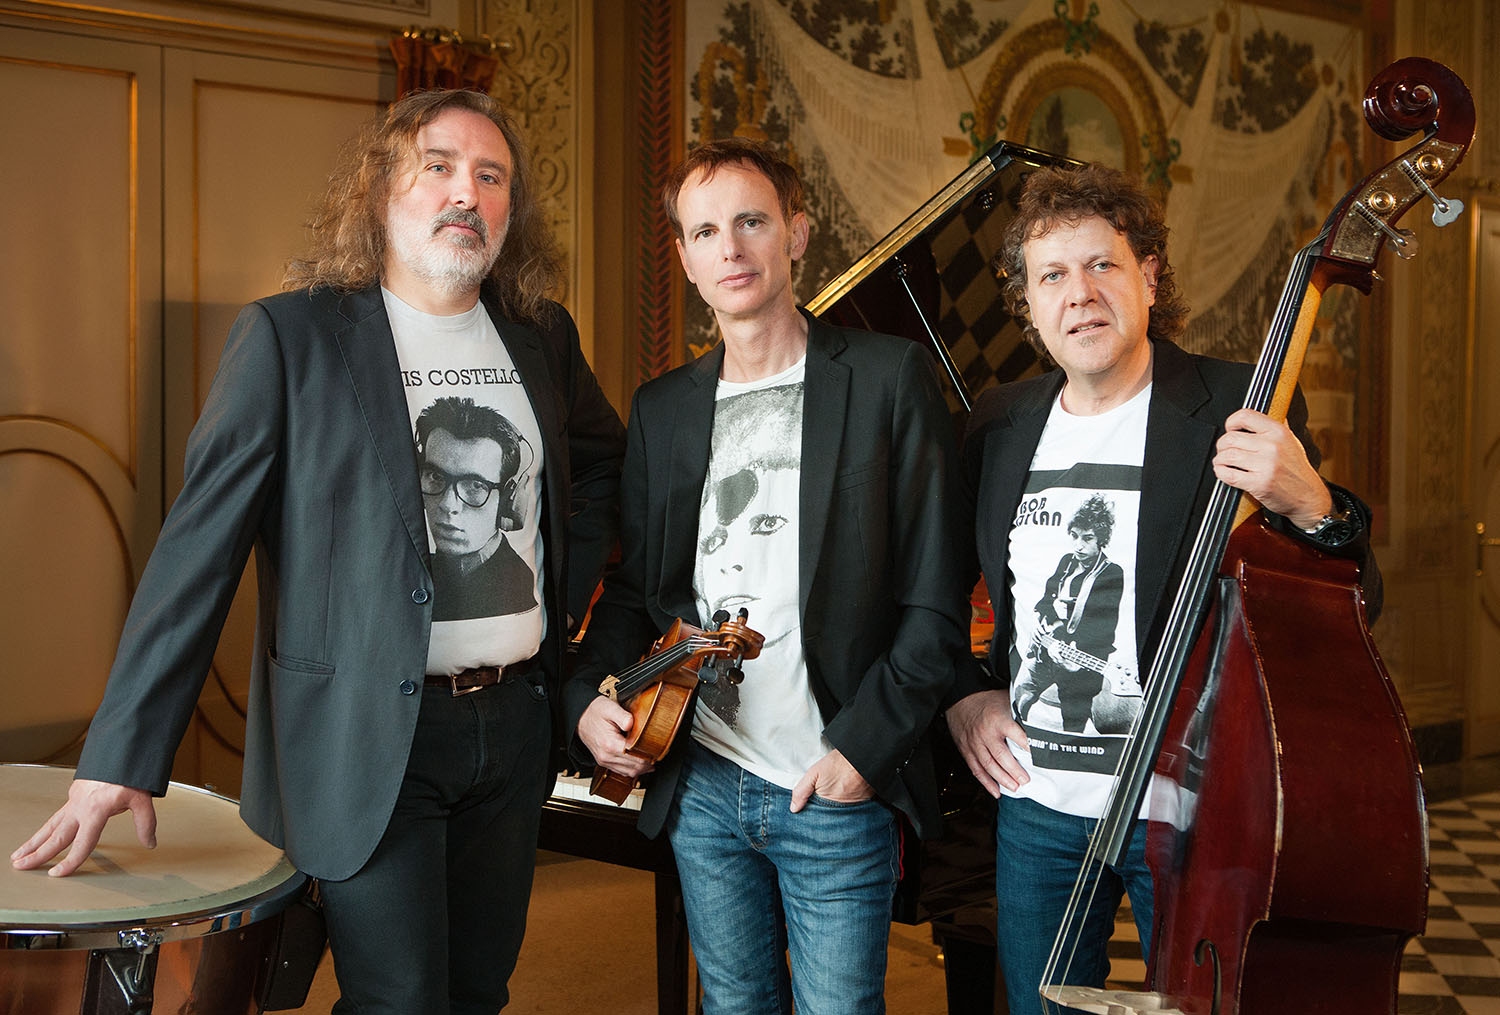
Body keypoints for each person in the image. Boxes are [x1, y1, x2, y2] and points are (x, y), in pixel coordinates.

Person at [10, 88, 625, 1015]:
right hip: (364, 734)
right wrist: (122, 752)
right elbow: (197, 553)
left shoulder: (542, 335)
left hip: (511, 727)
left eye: (491, 176)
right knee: (398, 1001)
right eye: (438, 166)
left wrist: (559, 610)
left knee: (477, 993)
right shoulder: (289, 337)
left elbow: (603, 467)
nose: (467, 192)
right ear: (380, 188)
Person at [942, 163, 1381, 1014]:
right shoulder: (999, 421)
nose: (1080, 293)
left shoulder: (1237, 401)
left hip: (1188, 808)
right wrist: (964, 694)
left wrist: (1313, 504)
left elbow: (1347, 606)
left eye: (1102, 265)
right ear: (1029, 303)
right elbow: (935, 589)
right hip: (1037, 806)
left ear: (1148, 275)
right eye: (1052, 275)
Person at [563, 137, 971, 1014]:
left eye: (751, 221)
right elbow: (637, 594)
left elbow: (935, 599)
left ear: (797, 233)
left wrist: (863, 752)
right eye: (706, 232)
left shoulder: (887, 379)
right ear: (685, 259)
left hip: (830, 780)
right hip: (704, 782)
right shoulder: (663, 409)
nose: (732, 248)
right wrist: (586, 698)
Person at [417, 395, 539, 620]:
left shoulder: (517, 586)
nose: (448, 505)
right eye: (435, 476)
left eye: (475, 485)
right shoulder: (420, 570)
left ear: (508, 500)